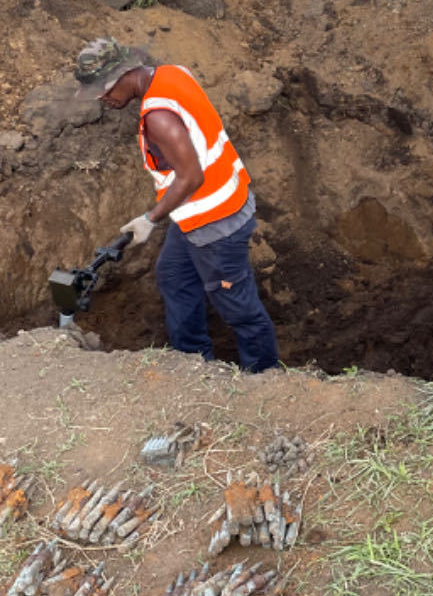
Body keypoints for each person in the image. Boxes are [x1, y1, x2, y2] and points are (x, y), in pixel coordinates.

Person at [73, 38, 280, 373]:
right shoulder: (172, 74)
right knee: (174, 277)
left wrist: (150, 219)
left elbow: (190, 178)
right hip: (201, 212)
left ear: (124, 74)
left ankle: (266, 377)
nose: (102, 98)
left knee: (238, 308)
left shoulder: (159, 117)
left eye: (103, 89)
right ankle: (193, 366)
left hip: (216, 223)